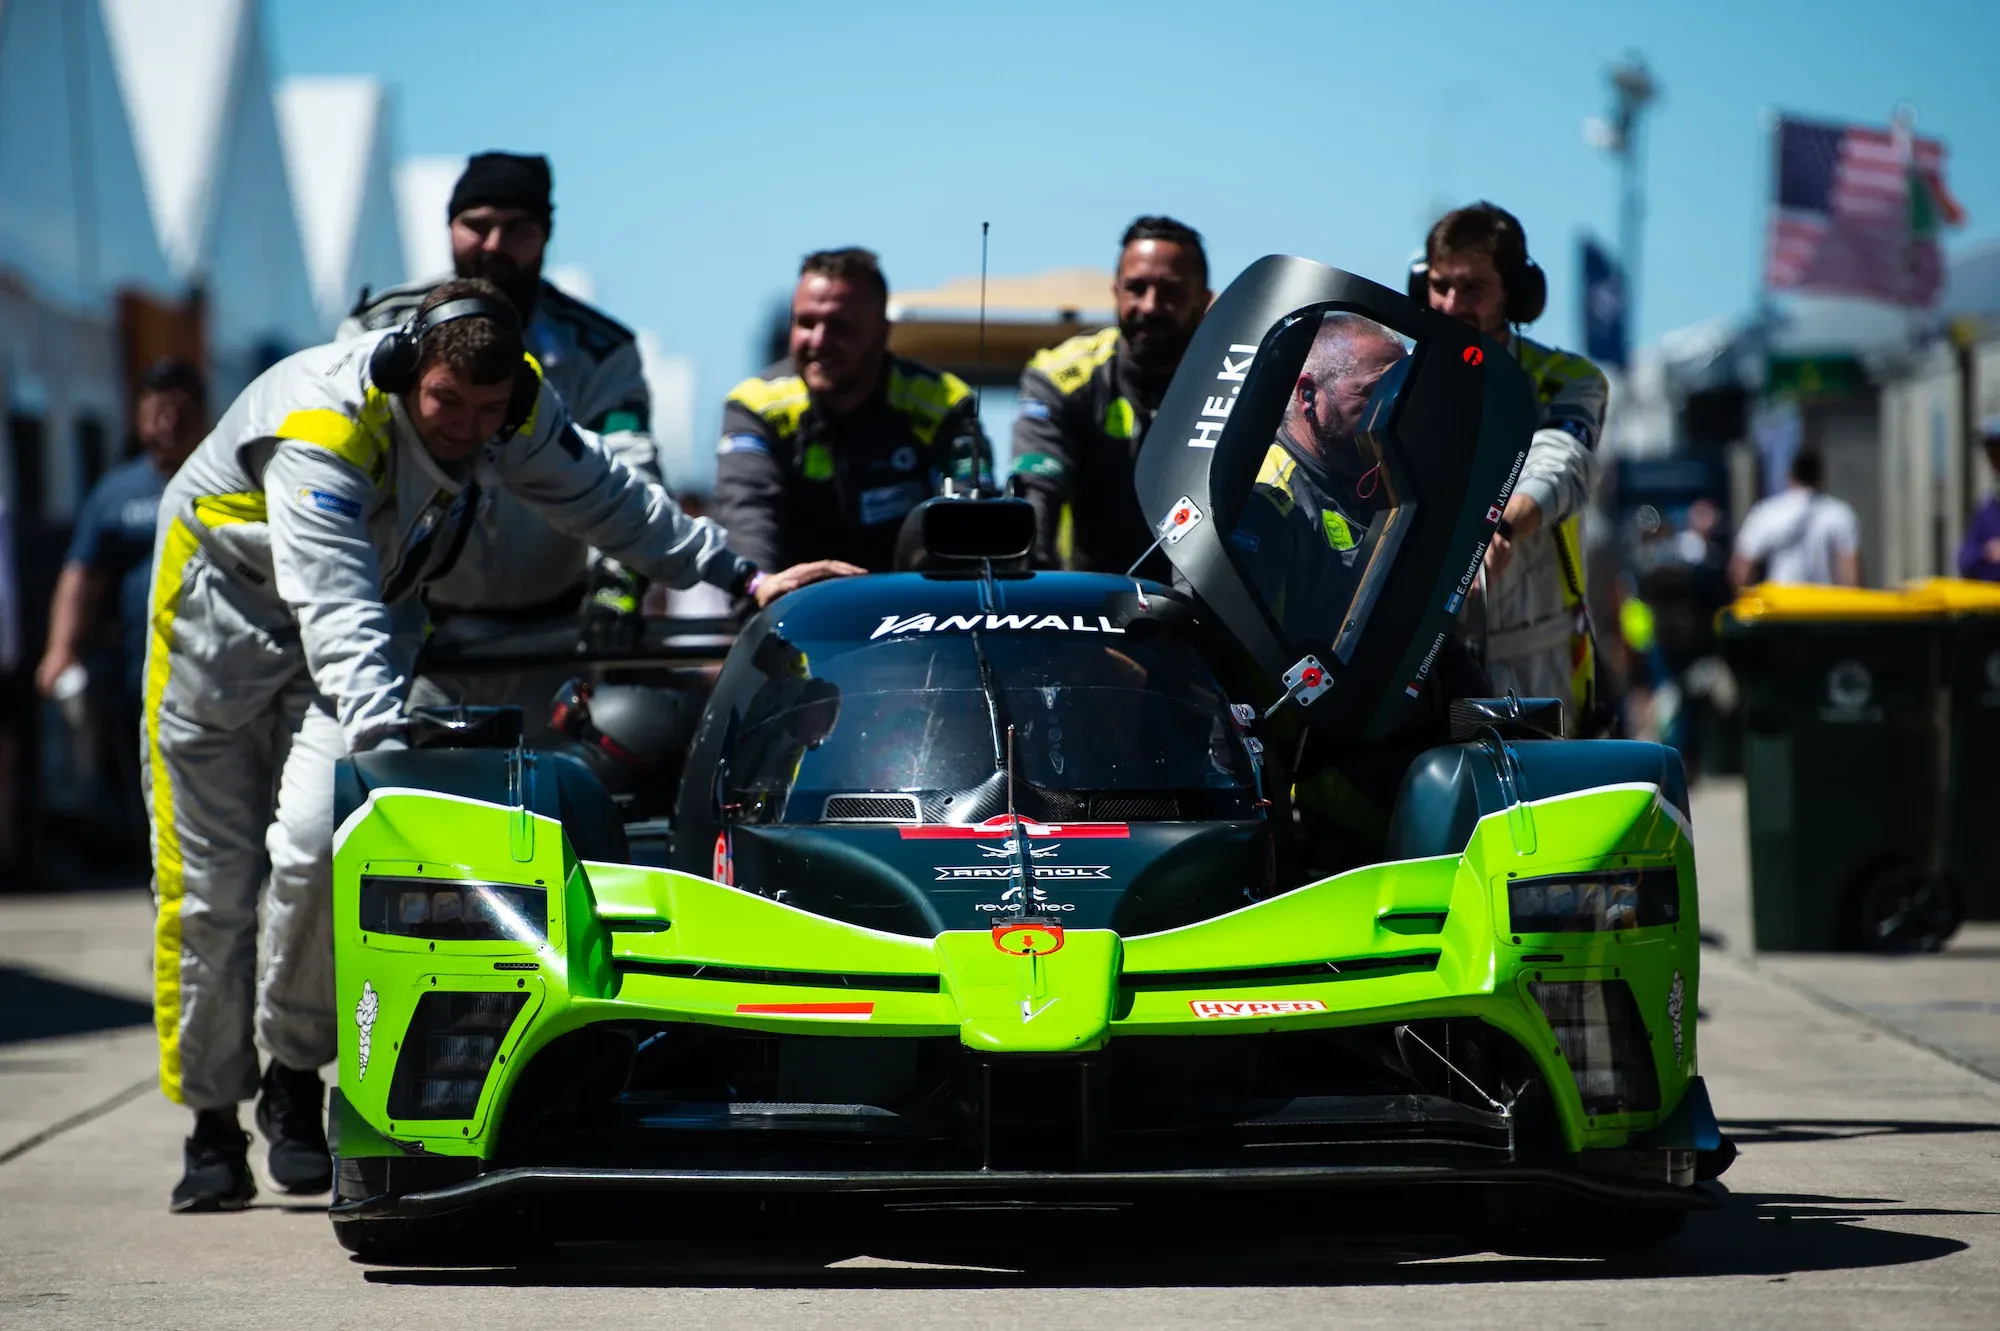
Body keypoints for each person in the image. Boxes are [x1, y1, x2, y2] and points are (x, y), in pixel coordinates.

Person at [145, 278, 852, 1213]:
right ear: (405, 372)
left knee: (320, 843)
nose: (467, 428)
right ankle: (208, 1125)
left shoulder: (508, 408)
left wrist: (743, 578)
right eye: (446, 403)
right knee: (211, 893)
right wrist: (390, 734)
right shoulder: (320, 425)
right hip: (217, 649)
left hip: (353, 651)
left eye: (488, 409)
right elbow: (336, 604)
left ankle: (294, 1070)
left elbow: (610, 500)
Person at [342, 153, 657, 648]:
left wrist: (616, 587)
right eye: (477, 225)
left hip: (553, 639)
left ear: (546, 235)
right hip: (414, 632)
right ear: (449, 227)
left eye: (517, 229)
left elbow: (630, 468)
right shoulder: (381, 327)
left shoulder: (601, 350)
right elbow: (344, 469)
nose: (494, 245)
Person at [1421, 202, 1609, 732]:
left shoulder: (1568, 378)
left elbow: (1562, 460)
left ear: (1517, 295)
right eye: (1439, 286)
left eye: (1473, 288)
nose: (1451, 304)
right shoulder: (1395, 374)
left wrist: (1501, 525)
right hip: (1420, 656)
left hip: (1535, 660)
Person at [712, 247, 988, 577]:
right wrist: (759, 588)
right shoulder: (756, 405)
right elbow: (748, 515)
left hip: (916, 612)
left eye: (839, 326)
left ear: (882, 332)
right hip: (796, 610)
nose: (819, 340)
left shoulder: (942, 402)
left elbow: (973, 516)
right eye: (806, 322)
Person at [35, 361, 207, 818]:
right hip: (143, 669)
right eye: (156, 413)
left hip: (223, 668)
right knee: (149, 789)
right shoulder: (118, 491)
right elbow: (81, 574)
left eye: (178, 413)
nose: (166, 426)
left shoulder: (227, 475)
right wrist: (61, 649)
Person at [1011, 216, 1212, 573]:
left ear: (1203, 301)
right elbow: (1036, 490)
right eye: (1136, 288)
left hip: (1206, 604)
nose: (1150, 306)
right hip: (1088, 601)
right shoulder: (1061, 376)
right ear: (1115, 291)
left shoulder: (1235, 379)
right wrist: (1030, 587)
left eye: (1170, 292)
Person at [1234, 313, 1407, 642]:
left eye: (1401, 394)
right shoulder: (1267, 497)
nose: (1394, 411)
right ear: (1308, 395)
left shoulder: (1391, 481)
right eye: (1374, 392)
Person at [1729, 448, 1861, 589]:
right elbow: (1850, 572)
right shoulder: (1839, 513)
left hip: (1781, 603)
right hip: (1823, 604)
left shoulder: (1768, 512)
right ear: (1821, 477)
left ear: (1791, 475)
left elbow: (1742, 568)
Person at [1956, 419, 2000, 581]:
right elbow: (1964, 561)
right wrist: (1986, 552)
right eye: (1993, 455)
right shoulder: (1988, 510)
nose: (1995, 462)